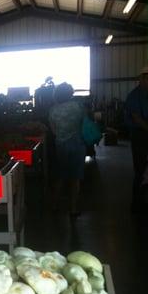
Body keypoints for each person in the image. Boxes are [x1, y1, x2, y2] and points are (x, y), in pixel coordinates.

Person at [125, 65, 148, 212]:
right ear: (141, 79)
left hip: (147, 136)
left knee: (147, 169)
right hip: (140, 136)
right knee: (141, 170)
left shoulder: (146, 95)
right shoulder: (135, 96)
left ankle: (144, 200)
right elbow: (137, 119)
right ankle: (138, 204)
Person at [49, 83, 86, 217]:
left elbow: (53, 131)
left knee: (61, 176)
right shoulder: (78, 106)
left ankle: (54, 205)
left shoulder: (52, 110)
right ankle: (73, 209)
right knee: (75, 179)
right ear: (70, 93)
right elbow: (83, 123)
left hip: (60, 145)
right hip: (76, 144)